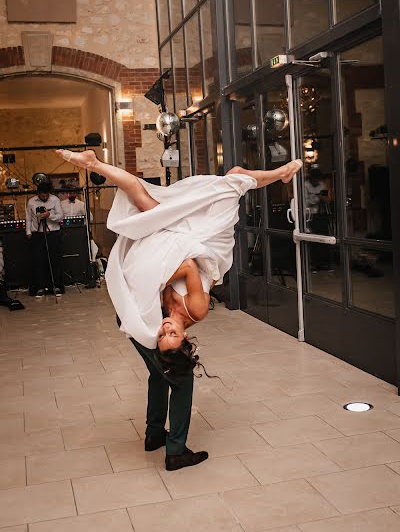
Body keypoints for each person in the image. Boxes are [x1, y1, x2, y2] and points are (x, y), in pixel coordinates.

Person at [56, 148, 302, 470]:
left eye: (162, 334)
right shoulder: (196, 310)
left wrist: (151, 280)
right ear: (184, 337)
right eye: (171, 333)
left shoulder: (155, 323)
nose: (165, 329)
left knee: (148, 204)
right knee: (233, 179)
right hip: (202, 245)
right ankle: (171, 448)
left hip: (139, 304)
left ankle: (160, 439)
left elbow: (160, 292)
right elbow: (187, 265)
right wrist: (157, 278)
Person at [26, 181, 65, 297]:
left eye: (46, 195)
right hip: (37, 233)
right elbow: (28, 218)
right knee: (38, 261)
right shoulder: (31, 202)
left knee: (55, 260)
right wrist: (28, 232)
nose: (45, 197)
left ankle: (56, 286)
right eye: (42, 196)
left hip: (53, 232)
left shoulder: (55, 200)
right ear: (38, 193)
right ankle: (40, 287)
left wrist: (49, 216)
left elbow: (61, 216)